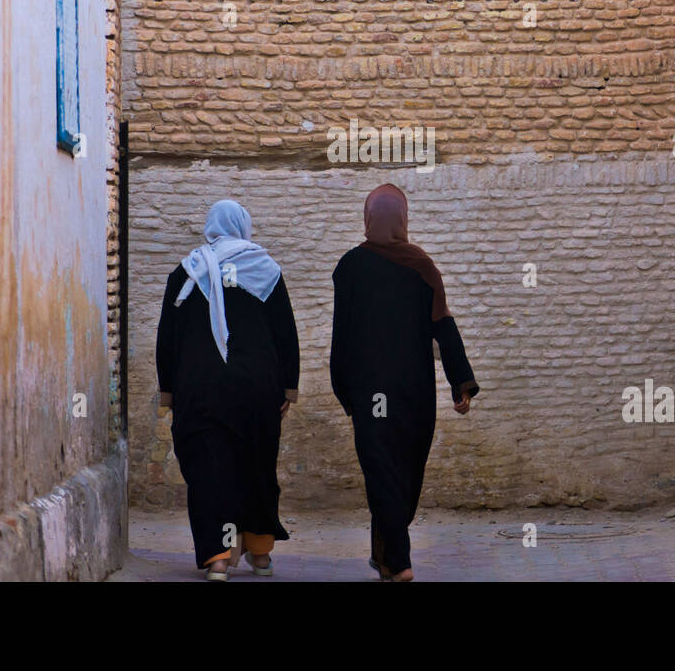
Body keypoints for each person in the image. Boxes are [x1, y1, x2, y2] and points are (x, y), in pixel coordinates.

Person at [330, 183, 479, 581]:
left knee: (384, 471)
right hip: (414, 391)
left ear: (369, 218)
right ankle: (398, 561)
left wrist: (343, 388)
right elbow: (444, 326)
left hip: (369, 390)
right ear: (403, 219)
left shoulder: (351, 266)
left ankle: (388, 554)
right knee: (400, 472)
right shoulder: (422, 266)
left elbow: (340, 334)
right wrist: (460, 382)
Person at [155, 200, 300, 580]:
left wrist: (169, 391)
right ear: (243, 227)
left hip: (199, 389)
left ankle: (218, 558)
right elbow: (285, 333)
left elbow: (166, 339)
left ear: (211, 227)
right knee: (255, 463)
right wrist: (288, 387)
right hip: (256, 389)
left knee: (209, 468)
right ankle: (261, 554)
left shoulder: (187, 273)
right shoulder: (266, 270)